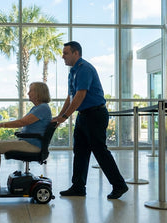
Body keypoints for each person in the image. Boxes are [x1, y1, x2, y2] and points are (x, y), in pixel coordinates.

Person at [53, 41, 128, 199]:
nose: (62, 56)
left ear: (76, 53)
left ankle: (119, 185)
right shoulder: (72, 72)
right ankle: (78, 186)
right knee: (80, 151)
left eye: (65, 53)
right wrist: (60, 117)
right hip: (83, 115)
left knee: (100, 151)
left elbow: (81, 95)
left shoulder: (84, 69)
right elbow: (70, 97)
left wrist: (66, 116)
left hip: (95, 114)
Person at [0, 82, 52, 192]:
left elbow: (22, 122)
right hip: (28, 142)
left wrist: (1, 125)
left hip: (32, 145)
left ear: (38, 93)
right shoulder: (38, 108)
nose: (28, 93)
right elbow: (25, 123)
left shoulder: (42, 108)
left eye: (31, 90)